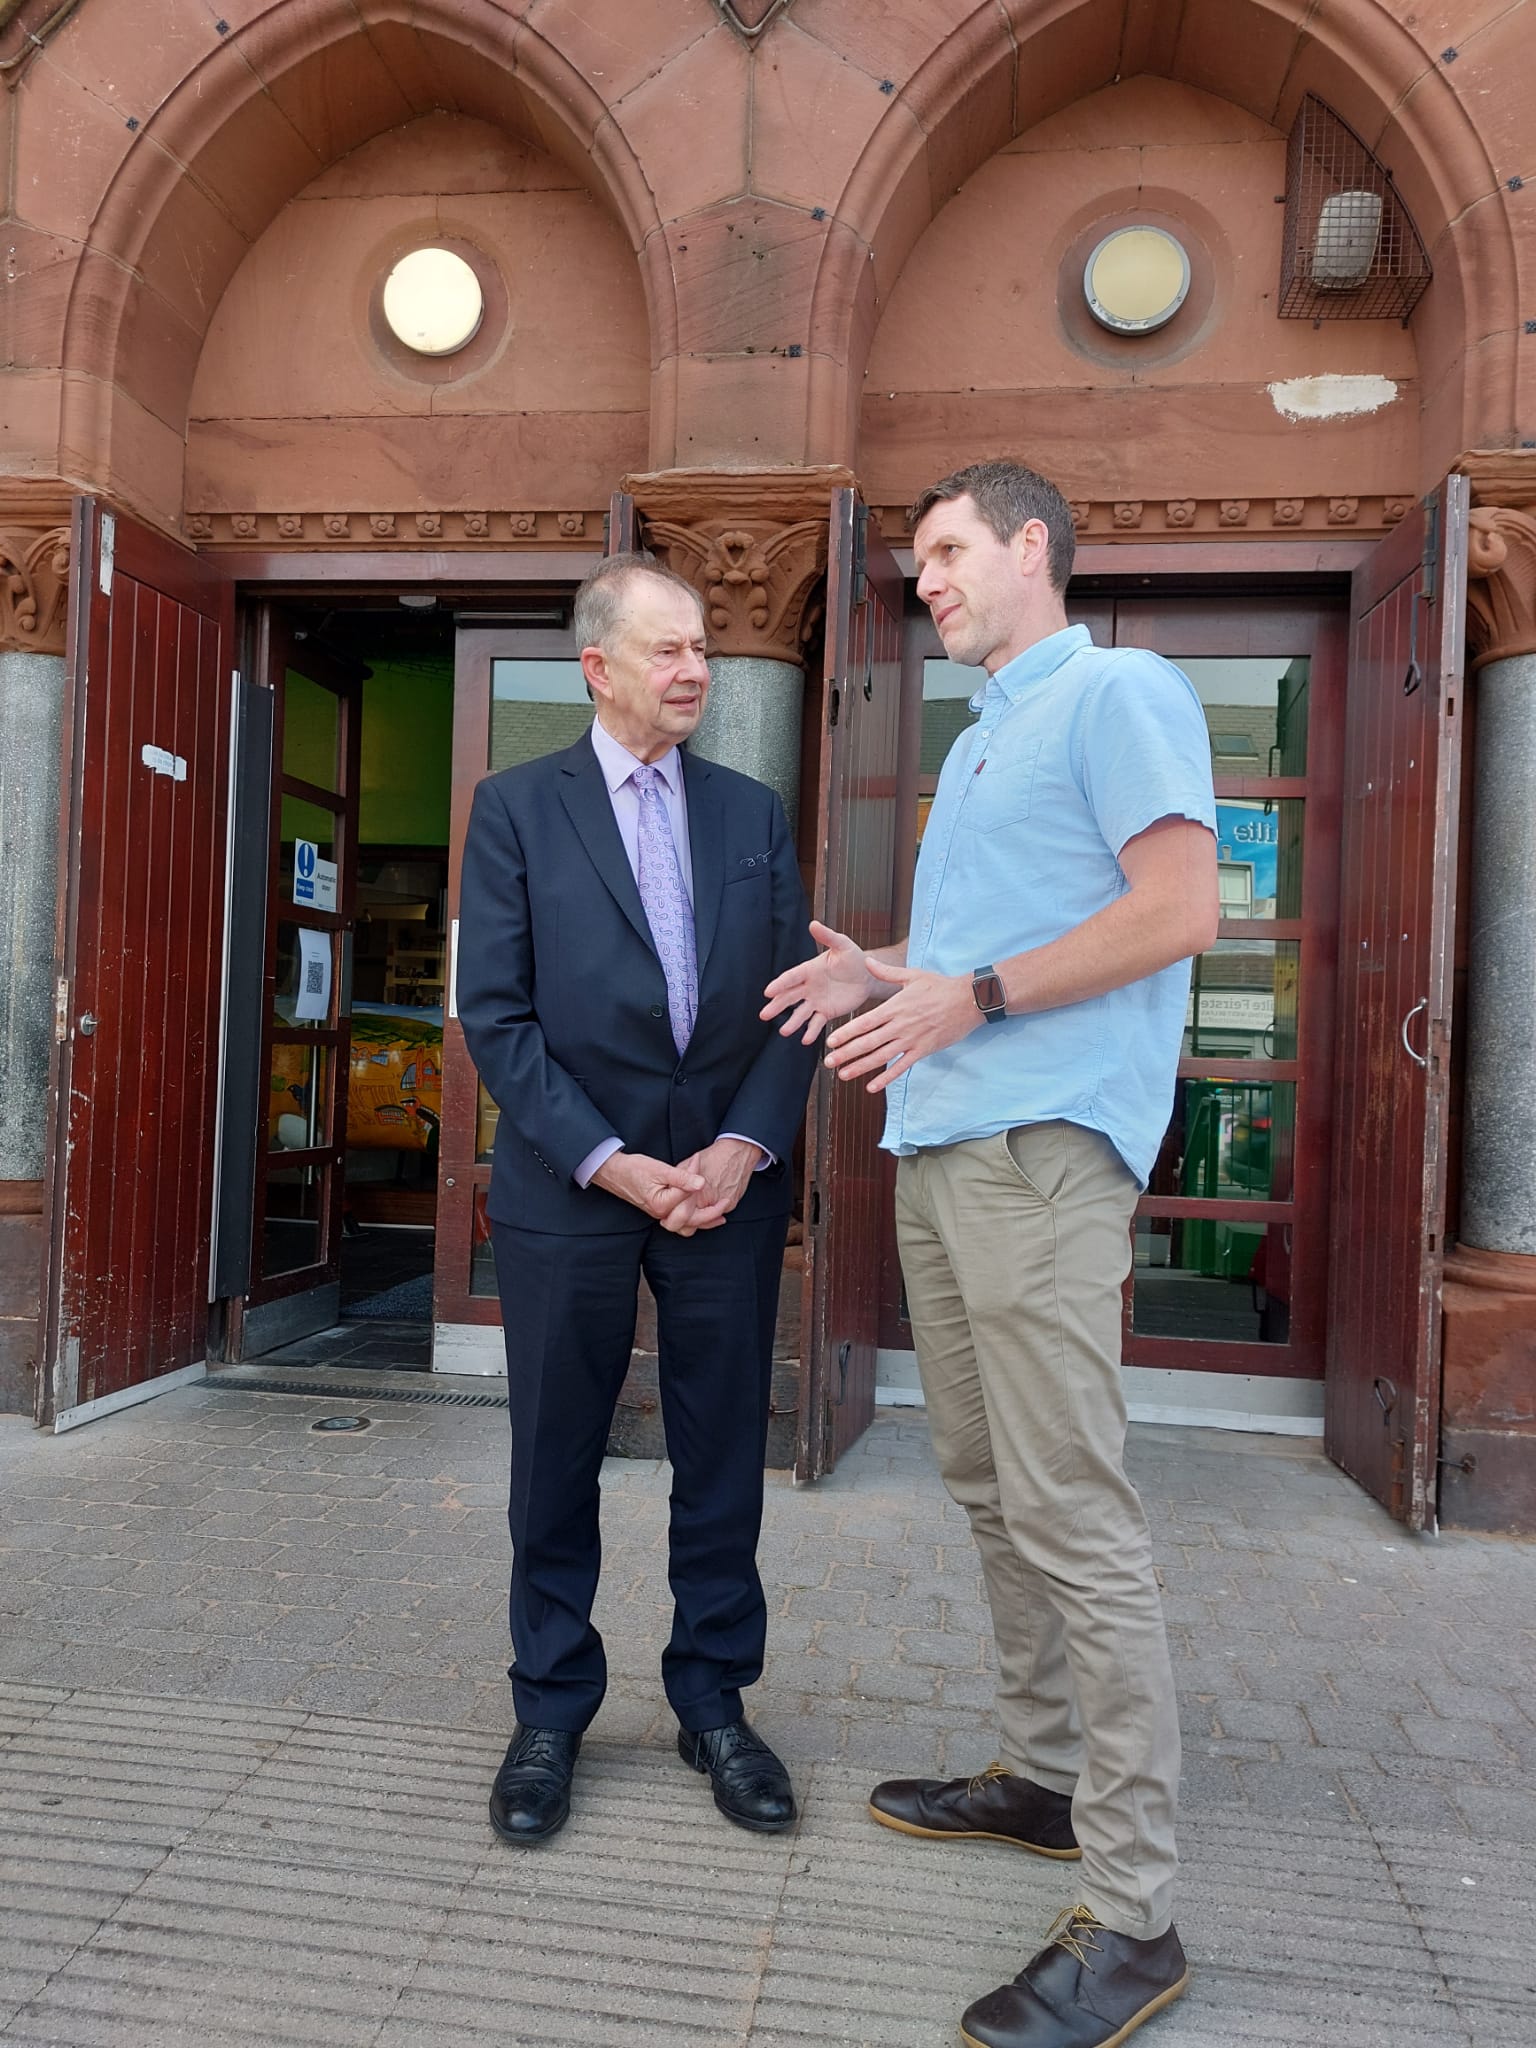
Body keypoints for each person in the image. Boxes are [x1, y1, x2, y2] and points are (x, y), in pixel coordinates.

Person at [762, 460, 1218, 2048]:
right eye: (917, 561)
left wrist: (973, 997)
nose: (927, 580)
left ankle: (1136, 1913)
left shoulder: (1118, 690)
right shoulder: (981, 743)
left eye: (949, 551)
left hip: (1042, 1148)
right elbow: (980, 958)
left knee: (1074, 1513)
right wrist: (887, 970)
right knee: (986, 1483)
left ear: (1036, 547)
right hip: (945, 1148)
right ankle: (1037, 1776)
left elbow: (1178, 913)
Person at [458, 553, 817, 1846]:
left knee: (722, 1454)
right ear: (598, 667)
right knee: (556, 1455)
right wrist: (609, 1158)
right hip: (573, 1185)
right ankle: (550, 1708)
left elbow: (795, 1005)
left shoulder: (749, 812)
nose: (696, 672)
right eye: (668, 650)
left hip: (723, 1187)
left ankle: (713, 1700)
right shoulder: (515, 808)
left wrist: (742, 1146)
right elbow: (493, 1015)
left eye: (705, 650)